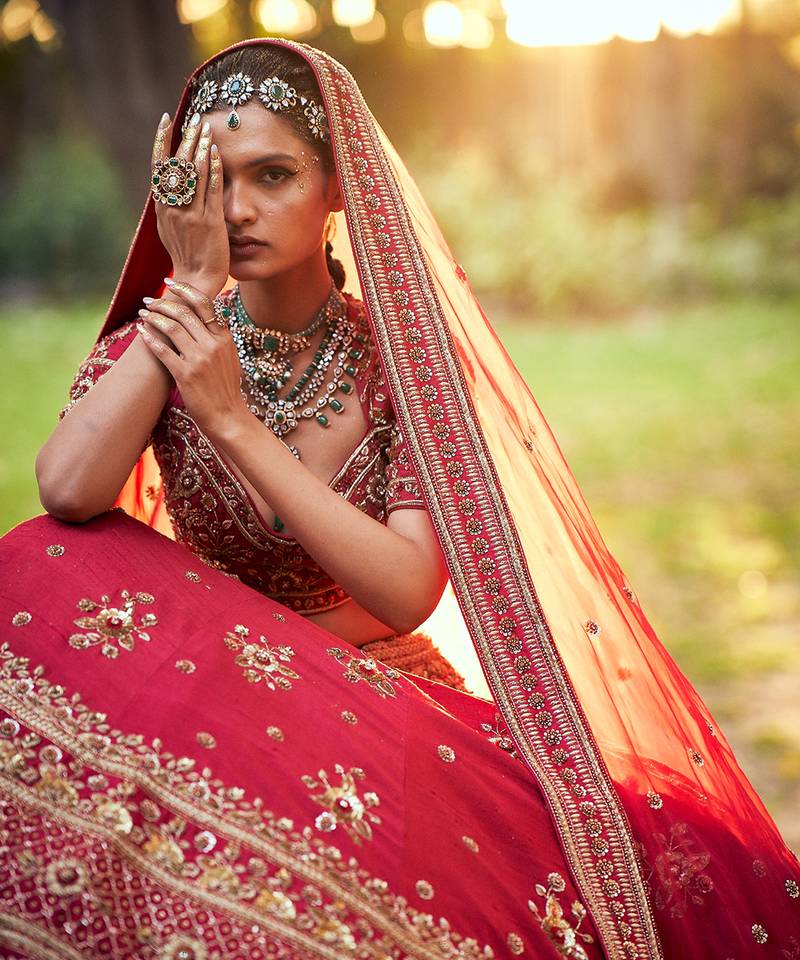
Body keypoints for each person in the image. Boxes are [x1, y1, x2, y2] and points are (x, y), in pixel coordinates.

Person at [0, 37, 797, 960]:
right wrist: (189, 287)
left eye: (272, 175)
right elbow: (65, 490)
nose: (240, 210)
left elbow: (409, 587)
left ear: (338, 187)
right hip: (213, 692)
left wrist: (235, 424)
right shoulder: (174, 329)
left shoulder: (400, 367)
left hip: (372, 692)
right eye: (213, 182)